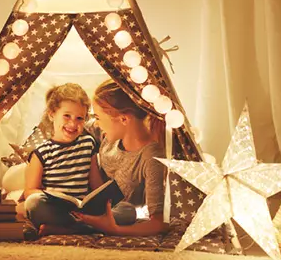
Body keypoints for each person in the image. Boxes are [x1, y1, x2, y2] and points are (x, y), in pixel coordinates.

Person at [72, 80, 169, 236]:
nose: (96, 124)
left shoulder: (150, 157)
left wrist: (115, 230)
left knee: (127, 211)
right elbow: (71, 127)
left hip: (118, 212)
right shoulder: (107, 133)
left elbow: (158, 223)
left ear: (123, 119)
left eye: (97, 117)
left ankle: (73, 225)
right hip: (81, 197)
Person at [20, 83, 102, 236]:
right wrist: (55, 199)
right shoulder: (41, 153)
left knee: (127, 211)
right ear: (52, 114)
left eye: (79, 118)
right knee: (34, 203)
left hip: (83, 211)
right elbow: (30, 191)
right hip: (56, 210)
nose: (73, 123)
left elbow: (96, 184)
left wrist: (103, 201)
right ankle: (82, 228)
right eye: (67, 116)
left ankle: (69, 228)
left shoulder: (88, 144)